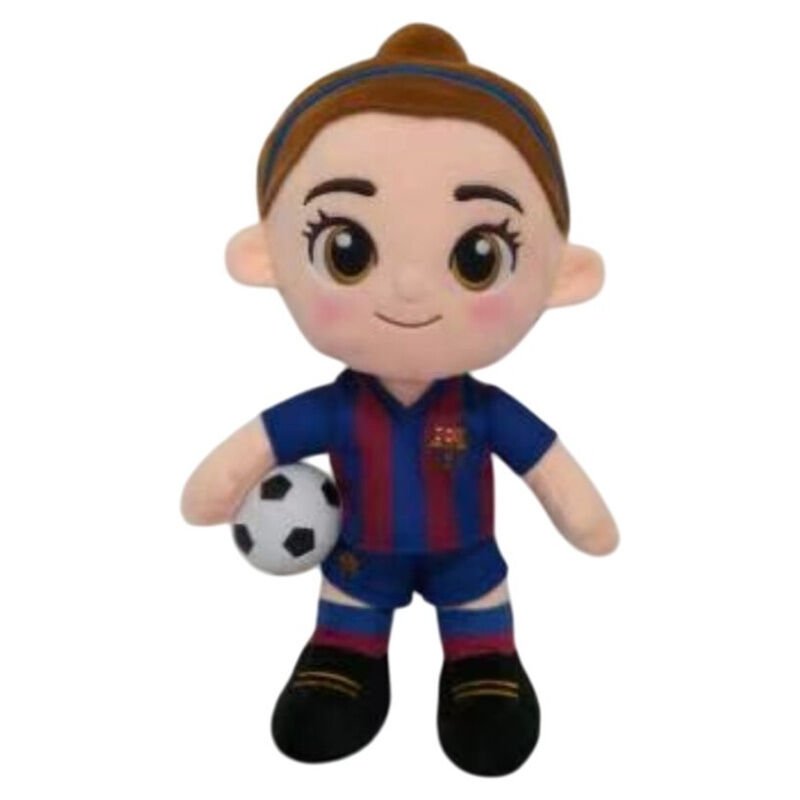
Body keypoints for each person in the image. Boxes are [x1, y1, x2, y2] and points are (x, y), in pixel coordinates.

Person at [181, 22, 618, 777]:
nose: (411, 287)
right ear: (266, 258)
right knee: (341, 653)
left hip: (467, 562)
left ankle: (483, 665)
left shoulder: (483, 411)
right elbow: (251, 451)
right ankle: (345, 658)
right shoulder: (337, 409)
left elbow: (548, 466)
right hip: (359, 561)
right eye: (346, 250)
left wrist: (586, 521)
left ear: (560, 278)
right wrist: (216, 490)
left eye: (477, 258)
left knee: (482, 651)